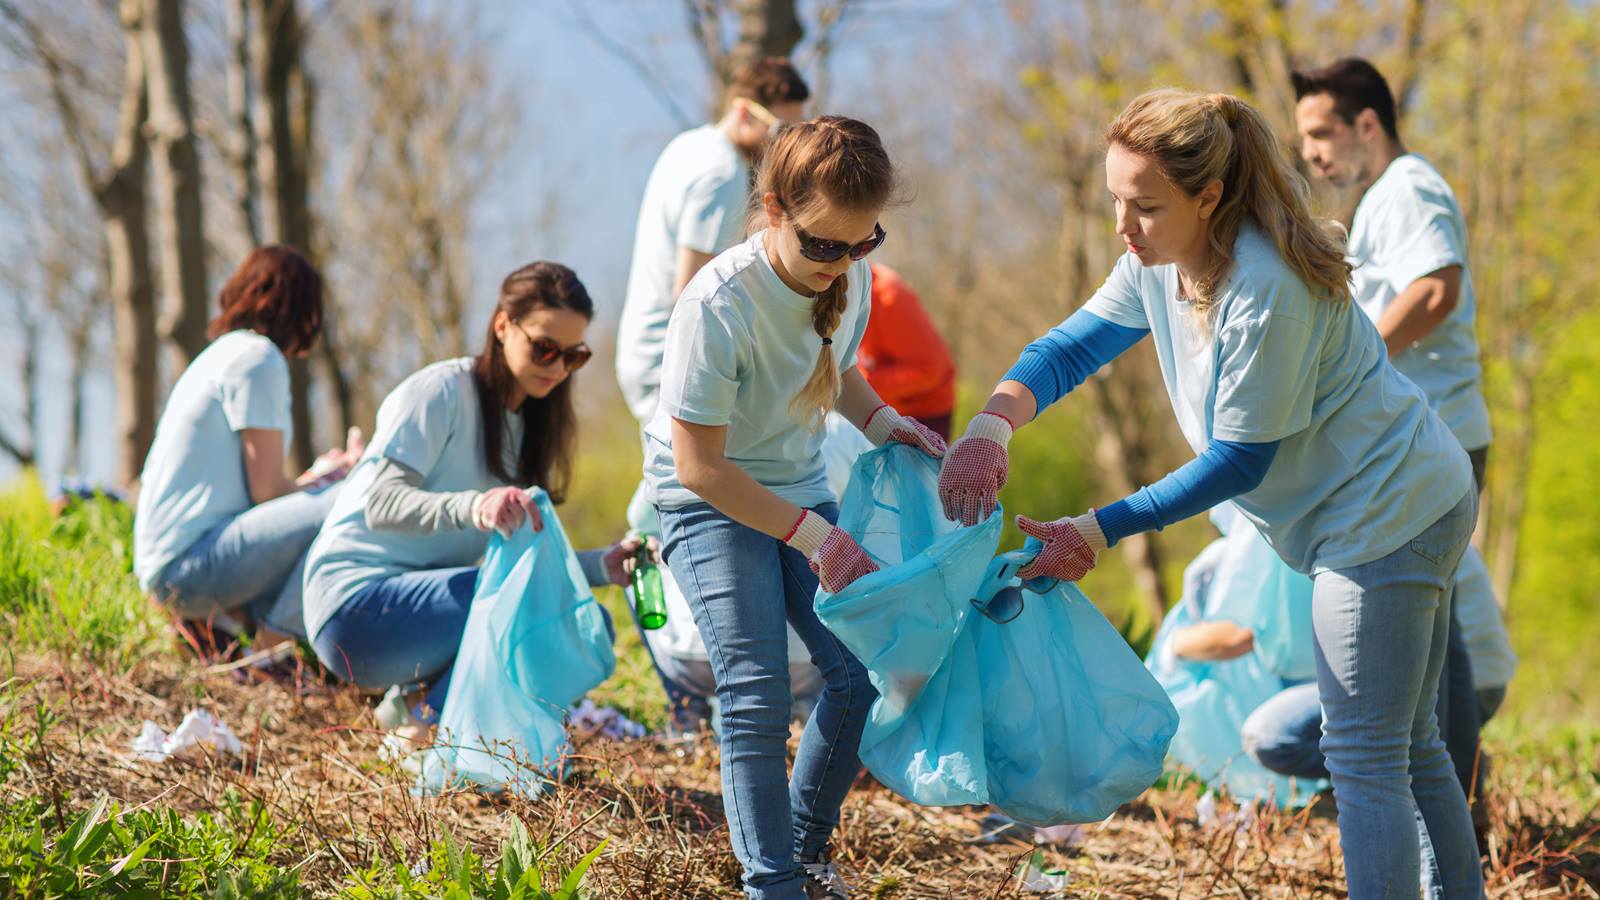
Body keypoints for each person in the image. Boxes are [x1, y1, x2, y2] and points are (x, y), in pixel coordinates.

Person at [938, 90, 1482, 898]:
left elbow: (1239, 462)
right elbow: (1067, 350)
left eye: (1146, 207)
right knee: (1410, 748)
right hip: (1406, 494)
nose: (1124, 226)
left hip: (1386, 515)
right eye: (1116, 200)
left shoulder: (1266, 287)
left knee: (1365, 757)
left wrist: (1097, 528)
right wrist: (992, 424)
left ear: (1209, 197)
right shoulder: (1161, 262)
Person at [645, 116, 946, 899]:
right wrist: (816, 535)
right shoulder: (716, 305)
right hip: (704, 499)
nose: (841, 263)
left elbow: (836, 370)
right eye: (823, 245)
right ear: (773, 207)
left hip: (795, 484)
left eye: (862, 243)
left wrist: (888, 425)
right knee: (756, 688)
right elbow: (699, 467)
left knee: (861, 672)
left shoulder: (848, 286)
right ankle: (770, 882)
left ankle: (805, 852)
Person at [301, 262, 641, 744]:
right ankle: (426, 723)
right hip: (353, 610)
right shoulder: (440, 392)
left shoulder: (529, 428)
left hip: (417, 614)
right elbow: (379, 502)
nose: (557, 367)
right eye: (544, 348)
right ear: (502, 326)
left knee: (589, 622)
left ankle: (415, 711)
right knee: (541, 614)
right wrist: (474, 506)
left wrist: (599, 567)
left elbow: (525, 564)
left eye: (573, 356)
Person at [1294, 56, 1496, 804]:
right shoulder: (1384, 198)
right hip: (1428, 444)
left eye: (1322, 132)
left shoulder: (1410, 188)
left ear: (1367, 124)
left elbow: (1436, 288)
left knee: (1425, 637)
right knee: (1436, 635)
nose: (1313, 152)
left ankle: (1446, 804)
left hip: (1436, 442)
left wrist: (1356, 361)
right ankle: (1462, 801)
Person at [134, 245, 359, 653]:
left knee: (334, 498)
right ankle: (273, 651)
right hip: (187, 568)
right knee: (351, 501)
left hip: (168, 566)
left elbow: (253, 493)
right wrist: (336, 483)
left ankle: (221, 626)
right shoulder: (259, 358)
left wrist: (318, 476)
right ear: (301, 308)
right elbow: (267, 492)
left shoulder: (220, 355)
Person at [615, 57, 810, 426]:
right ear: (744, 112)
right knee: (688, 479)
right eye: (781, 129)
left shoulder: (690, 144)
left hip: (644, 350)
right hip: (670, 360)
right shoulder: (722, 174)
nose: (784, 144)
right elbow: (693, 290)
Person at [857, 264, 956, 440]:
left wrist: (859, 384)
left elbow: (928, 370)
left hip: (922, 416)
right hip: (871, 411)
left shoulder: (888, 294)